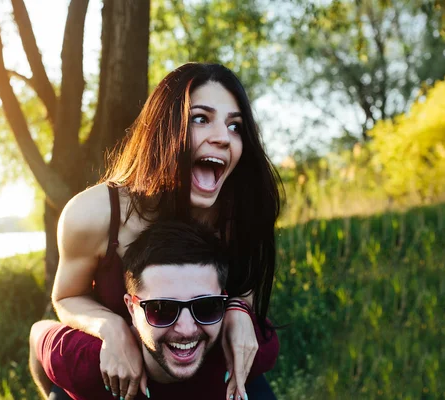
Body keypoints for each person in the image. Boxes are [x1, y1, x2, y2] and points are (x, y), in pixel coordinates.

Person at [48, 63, 282, 400]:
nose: (222, 137)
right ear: (162, 128)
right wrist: (112, 328)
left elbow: (243, 281)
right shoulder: (93, 213)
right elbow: (66, 297)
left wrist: (239, 309)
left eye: (235, 126)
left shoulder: (237, 211)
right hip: (118, 377)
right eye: (201, 118)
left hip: (199, 363)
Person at [30, 221, 278, 400]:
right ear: (131, 307)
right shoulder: (87, 364)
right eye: (162, 309)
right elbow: (36, 335)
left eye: (206, 307)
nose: (186, 329)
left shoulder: (247, 348)